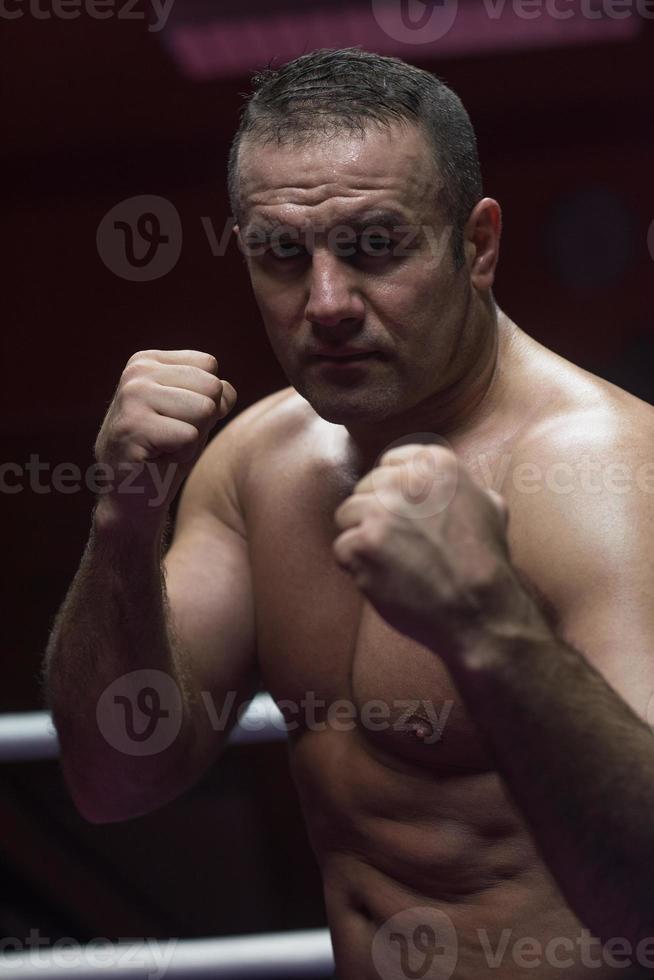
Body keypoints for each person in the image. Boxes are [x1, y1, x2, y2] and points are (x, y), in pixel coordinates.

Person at [44, 47, 654, 979]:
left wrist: (490, 631)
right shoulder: (256, 463)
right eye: (282, 255)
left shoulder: (609, 479)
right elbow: (112, 779)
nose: (325, 303)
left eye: (375, 245)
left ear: (476, 245)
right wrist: (123, 521)